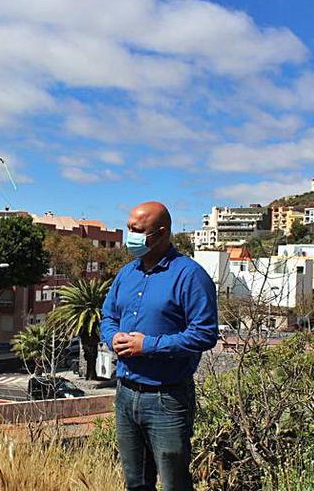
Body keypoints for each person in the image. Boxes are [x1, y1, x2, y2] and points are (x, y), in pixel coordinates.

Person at [100, 201, 219, 491]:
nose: (130, 236)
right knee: (136, 483)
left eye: (138, 230)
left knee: (173, 485)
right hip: (126, 395)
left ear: (162, 232)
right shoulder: (126, 274)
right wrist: (112, 336)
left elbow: (205, 334)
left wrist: (148, 345)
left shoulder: (190, 275)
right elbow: (108, 316)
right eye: (129, 228)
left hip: (167, 399)